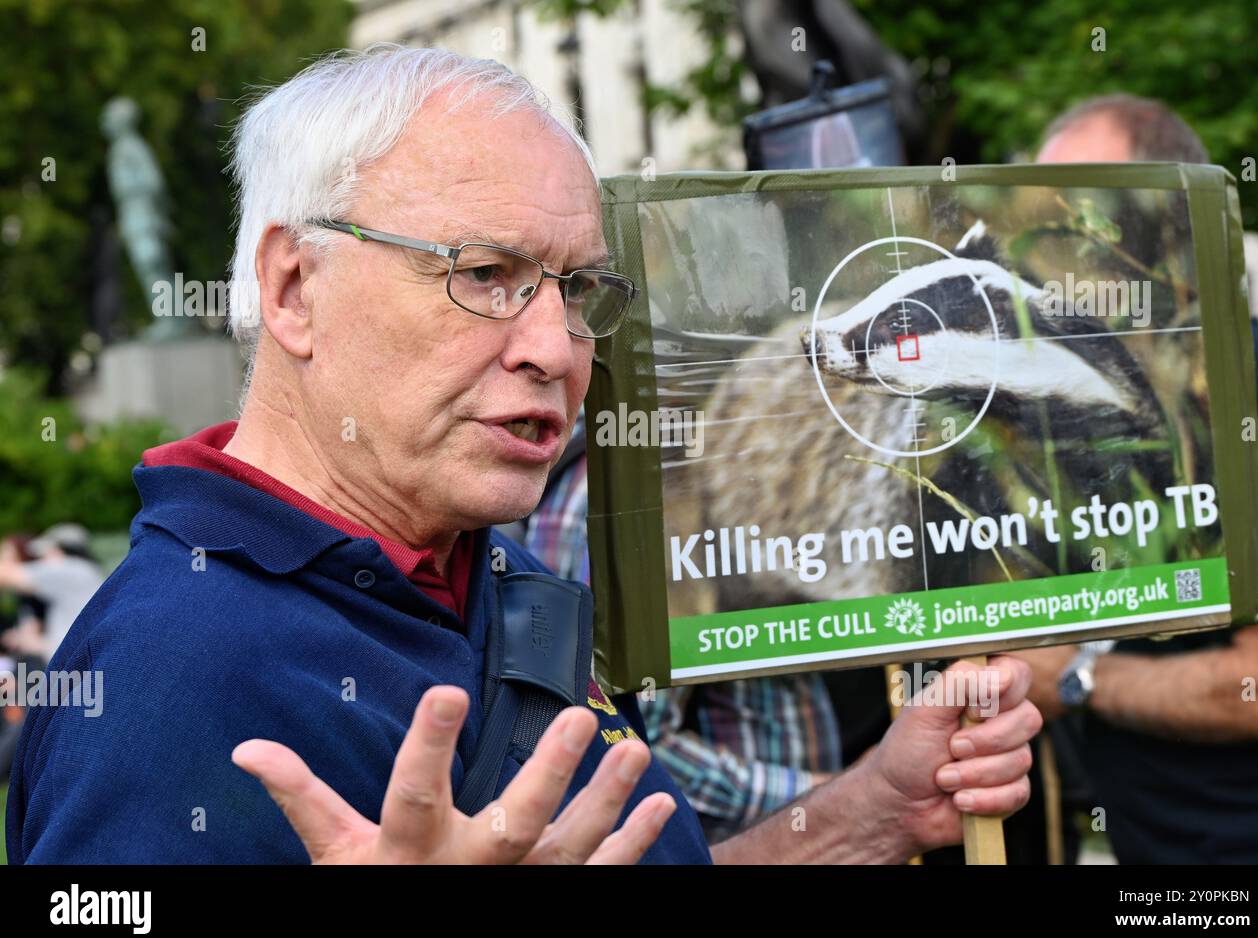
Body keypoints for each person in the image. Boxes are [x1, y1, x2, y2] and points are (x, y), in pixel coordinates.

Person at [6, 44, 1038, 865]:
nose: (555, 348)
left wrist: (872, 812)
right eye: (486, 272)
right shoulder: (168, 681)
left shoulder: (493, 570)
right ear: (292, 289)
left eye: (578, 291)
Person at [1017, 93, 1258, 863]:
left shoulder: (1254, 391)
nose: (1056, 243)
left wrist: (1078, 679)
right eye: (1047, 215)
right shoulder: (1104, 394)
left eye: (1090, 212)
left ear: (1169, 218)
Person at [0, 524, 104, 661]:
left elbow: (5, 576)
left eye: (45, 553)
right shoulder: (87, 572)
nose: (40, 559)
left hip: (70, 667)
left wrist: (9, 558)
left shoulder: (68, 569)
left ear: (58, 551)